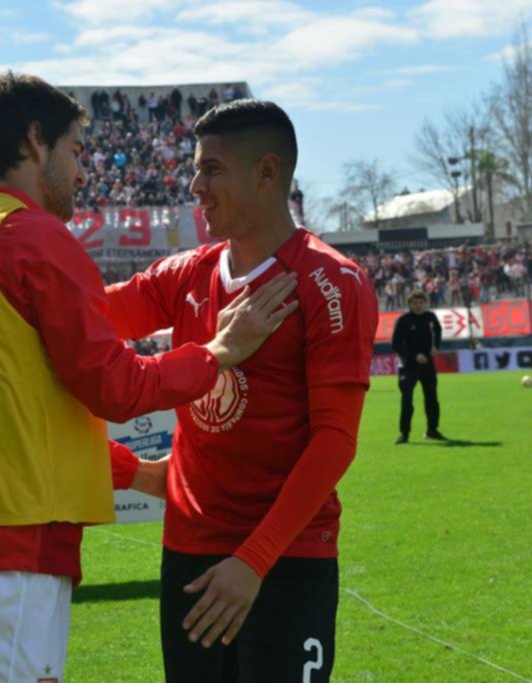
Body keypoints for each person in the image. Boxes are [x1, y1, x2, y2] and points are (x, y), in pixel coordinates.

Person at [0, 74, 299, 683]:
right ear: (36, 142)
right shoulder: (32, 235)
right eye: (75, 150)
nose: (84, 172)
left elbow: (23, 404)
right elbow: (117, 388)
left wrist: (139, 473)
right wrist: (219, 351)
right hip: (9, 553)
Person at [102, 100, 378, 681]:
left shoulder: (331, 283)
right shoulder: (184, 275)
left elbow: (334, 442)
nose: (196, 186)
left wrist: (253, 561)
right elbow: (84, 320)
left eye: (213, 169)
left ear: (267, 172)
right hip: (190, 556)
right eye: (197, 170)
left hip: (283, 563)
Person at [391, 290, 446, 444]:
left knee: (432, 398)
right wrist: (414, 355)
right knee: (407, 399)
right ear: (409, 304)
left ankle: (432, 430)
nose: (418, 305)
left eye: (421, 302)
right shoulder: (403, 320)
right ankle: (404, 434)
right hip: (408, 366)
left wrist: (436, 346)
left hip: (427, 365)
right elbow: (395, 344)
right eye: (415, 303)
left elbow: (438, 331)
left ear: (425, 303)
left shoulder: (430, 317)